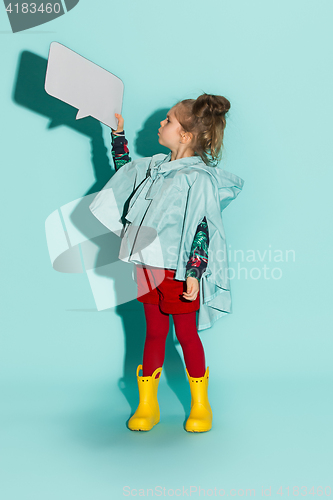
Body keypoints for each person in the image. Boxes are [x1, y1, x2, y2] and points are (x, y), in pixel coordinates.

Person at [89, 93, 245, 433]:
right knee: (154, 332)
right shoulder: (155, 168)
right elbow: (125, 174)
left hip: (177, 271)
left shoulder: (198, 179)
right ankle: (148, 404)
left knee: (186, 334)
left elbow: (203, 226)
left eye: (168, 120)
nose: (161, 124)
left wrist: (194, 272)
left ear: (186, 136)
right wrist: (116, 136)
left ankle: (201, 405)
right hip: (146, 267)